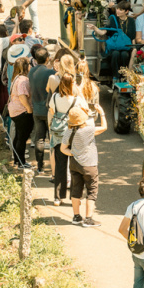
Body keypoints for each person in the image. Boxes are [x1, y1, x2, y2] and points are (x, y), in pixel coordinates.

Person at [60, 106, 108, 227]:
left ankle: (76, 217)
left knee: (76, 189)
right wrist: (102, 113)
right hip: (89, 164)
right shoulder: (88, 130)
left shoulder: (68, 131)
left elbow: (63, 149)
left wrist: (73, 153)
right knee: (91, 190)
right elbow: (104, 127)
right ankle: (88, 219)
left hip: (74, 164)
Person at [47, 72, 89, 205]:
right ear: (72, 84)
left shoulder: (54, 97)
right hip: (73, 134)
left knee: (60, 166)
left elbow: (52, 111)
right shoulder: (76, 99)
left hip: (58, 135)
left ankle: (58, 197)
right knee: (75, 167)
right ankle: (75, 197)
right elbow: (86, 110)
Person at [28, 46, 54, 175]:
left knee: (39, 139)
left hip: (36, 109)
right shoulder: (50, 72)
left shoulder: (31, 71)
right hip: (48, 109)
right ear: (48, 58)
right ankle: (54, 165)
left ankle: (40, 166)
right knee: (53, 138)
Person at [7, 57, 34, 169]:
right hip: (22, 111)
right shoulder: (23, 80)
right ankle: (22, 162)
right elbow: (22, 96)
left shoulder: (16, 78)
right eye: (28, 64)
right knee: (22, 138)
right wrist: (29, 109)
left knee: (18, 136)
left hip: (14, 111)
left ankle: (17, 160)